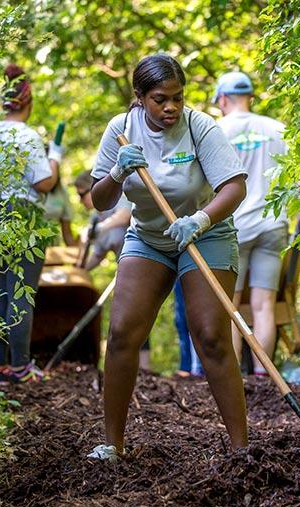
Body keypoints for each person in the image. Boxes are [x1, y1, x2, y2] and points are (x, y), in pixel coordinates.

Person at [87, 54, 249, 461]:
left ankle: (241, 449)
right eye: (161, 99)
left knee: (210, 335)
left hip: (204, 234)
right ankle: (113, 445)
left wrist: (199, 219)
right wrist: (117, 174)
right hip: (149, 237)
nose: (171, 107)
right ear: (139, 97)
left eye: (177, 97)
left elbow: (234, 188)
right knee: (123, 331)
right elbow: (98, 198)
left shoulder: (199, 127)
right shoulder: (121, 130)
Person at [0, 63, 64, 385]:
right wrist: (56, 156)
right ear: (28, 101)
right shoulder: (26, 136)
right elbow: (44, 183)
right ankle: (22, 367)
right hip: (24, 216)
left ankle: (1, 366)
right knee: (21, 293)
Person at [213, 71, 289, 376]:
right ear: (250, 97)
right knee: (263, 305)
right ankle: (262, 375)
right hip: (273, 225)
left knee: (230, 308)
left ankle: (235, 379)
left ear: (223, 99)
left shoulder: (216, 131)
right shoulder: (277, 129)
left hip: (235, 228)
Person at [73, 171, 153, 369]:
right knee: (125, 317)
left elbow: (125, 216)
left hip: (144, 262)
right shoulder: (96, 218)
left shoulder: (118, 197)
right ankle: (129, 368)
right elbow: (96, 257)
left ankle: (145, 368)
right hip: (126, 273)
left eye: (82, 194)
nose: (80, 200)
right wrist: (76, 270)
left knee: (139, 314)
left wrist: (100, 229)